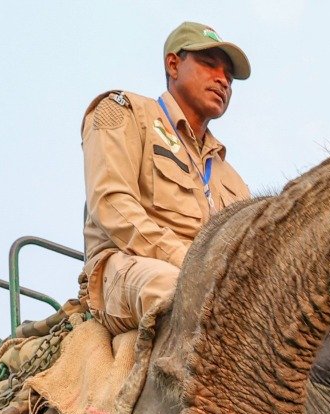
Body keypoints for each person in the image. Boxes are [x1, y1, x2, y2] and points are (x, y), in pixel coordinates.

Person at [80, 22, 253, 334]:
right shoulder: (126, 112)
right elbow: (111, 203)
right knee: (181, 294)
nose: (223, 79)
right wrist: (190, 261)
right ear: (174, 64)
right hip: (127, 267)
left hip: (216, 285)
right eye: (210, 64)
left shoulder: (234, 180)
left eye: (229, 75)